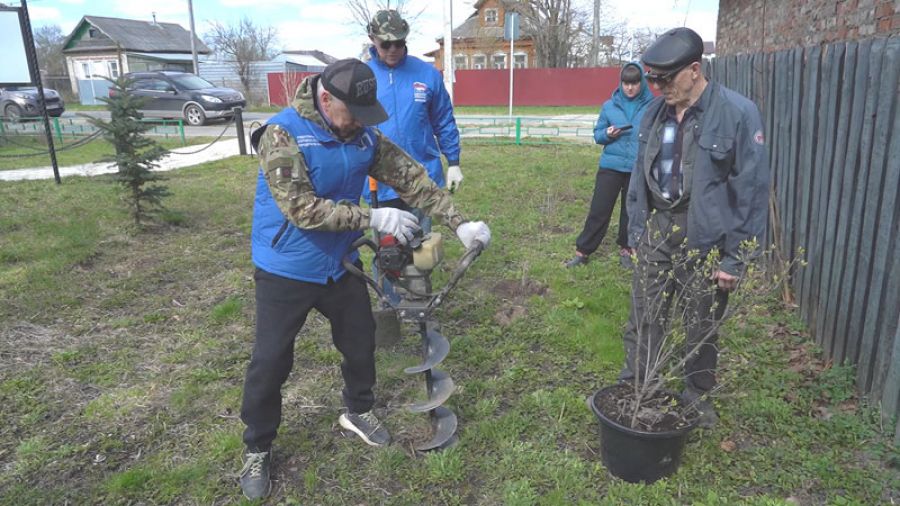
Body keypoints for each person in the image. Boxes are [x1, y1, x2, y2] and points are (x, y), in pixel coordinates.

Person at [238, 58, 491, 500]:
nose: (359, 123)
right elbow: (301, 210)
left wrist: (459, 222)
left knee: (360, 342)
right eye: (353, 113)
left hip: (340, 263)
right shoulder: (283, 134)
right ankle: (257, 447)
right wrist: (372, 214)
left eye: (365, 115)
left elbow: (411, 177)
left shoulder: (361, 134)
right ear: (326, 99)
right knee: (271, 361)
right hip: (287, 268)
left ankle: (359, 411)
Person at [619, 28, 770, 428]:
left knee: (700, 321)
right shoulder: (653, 113)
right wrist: (637, 232)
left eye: (665, 79)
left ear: (694, 70)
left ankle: (697, 395)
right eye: (653, 79)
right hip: (657, 226)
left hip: (704, 231)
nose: (658, 87)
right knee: (645, 312)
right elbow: (638, 177)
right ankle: (638, 386)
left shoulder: (737, 113)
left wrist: (736, 258)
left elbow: (751, 190)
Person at [363, 8, 463, 231]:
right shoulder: (362, 77)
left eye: (398, 43)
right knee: (388, 254)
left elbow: (444, 120)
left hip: (422, 177)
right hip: (379, 182)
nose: (393, 49)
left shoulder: (426, 74)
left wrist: (454, 161)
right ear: (372, 39)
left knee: (421, 251)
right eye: (385, 44)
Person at [566, 62, 654, 268]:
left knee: (631, 212)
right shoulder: (609, 106)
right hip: (611, 167)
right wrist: (607, 134)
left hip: (637, 168)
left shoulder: (653, 106)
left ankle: (627, 248)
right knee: (599, 209)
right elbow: (598, 134)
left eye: (634, 83)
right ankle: (583, 251)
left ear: (641, 83)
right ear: (620, 83)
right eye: (626, 83)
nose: (630, 88)